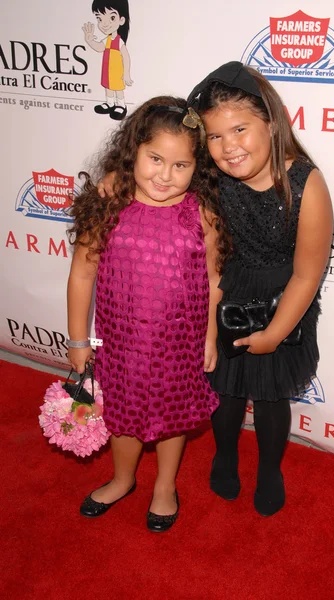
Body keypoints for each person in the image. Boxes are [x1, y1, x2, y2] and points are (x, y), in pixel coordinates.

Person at [98, 62, 334, 517]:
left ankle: (269, 469)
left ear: (273, 119)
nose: (229, 147)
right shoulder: (213, 179)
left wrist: (276, 333)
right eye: (216, 138)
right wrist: (114, 182)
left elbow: (308, 275)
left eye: (241, 129)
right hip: (225, 296)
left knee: (269, 398)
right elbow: (155, 191)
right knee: (224, 394)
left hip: (281, 303)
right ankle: (225, 456)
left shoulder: (306, 184)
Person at [67, 96, 220, 531]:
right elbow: (81, 276)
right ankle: (122, 479)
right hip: (120, 342)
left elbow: (213, 279)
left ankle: (165, 486)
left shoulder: (200, 212)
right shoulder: (110, 199)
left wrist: (209, 336)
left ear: (198, 168)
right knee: (122, 413)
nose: (165, 175)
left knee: (174, 417)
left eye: (181, 166)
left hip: (179, 342)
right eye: (155, 159)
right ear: (133, 150)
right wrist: (79, 341)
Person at [82, 0, 133, 120]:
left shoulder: (119, 41)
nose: (104, 24)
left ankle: (120, 105)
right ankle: (110, 103)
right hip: (107, 70)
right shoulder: (107, 39)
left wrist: (126, 74)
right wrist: (89, 40)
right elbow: (99, 47)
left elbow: (126, 57)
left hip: (116, 71)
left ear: (121, 20)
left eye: (112, 17)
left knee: (118, 89)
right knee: (108, 87)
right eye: (100, 19)